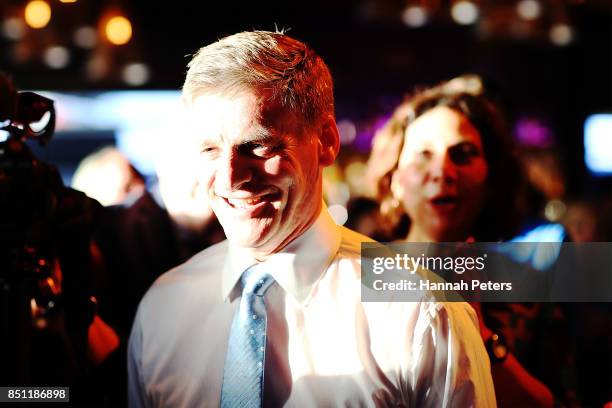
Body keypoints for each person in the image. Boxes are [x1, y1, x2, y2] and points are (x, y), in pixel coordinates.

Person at [128, 31, 495, 407]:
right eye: (209, 149)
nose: (229, 178)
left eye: (259, 145)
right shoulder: (162, 310)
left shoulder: (419, 314)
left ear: (327, 141)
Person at [366, 74, 575, 407]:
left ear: (491, 176)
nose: (443, 171)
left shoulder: (528, 285)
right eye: (423, 154)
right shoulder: (356, 271)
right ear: (394, 179)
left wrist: (480, 337)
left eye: (462, 154)